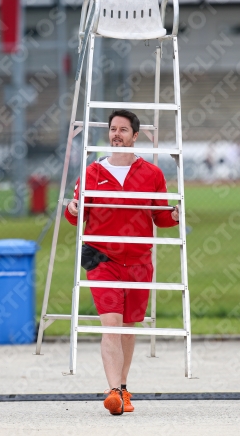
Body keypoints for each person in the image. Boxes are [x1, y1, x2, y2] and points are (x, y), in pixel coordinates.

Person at [65, 109, 179, 416]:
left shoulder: (152, 174)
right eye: (113, 129)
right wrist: (73, 209)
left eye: (123, 130)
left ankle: (123, 388)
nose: (116, 134)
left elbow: (160, 217)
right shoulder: (91, 173)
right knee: (111, 323)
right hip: (101, 257)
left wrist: (176, 215)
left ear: (135, 136)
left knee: (130, 327)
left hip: (140, 260)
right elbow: (76, 214)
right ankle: (112, 390)